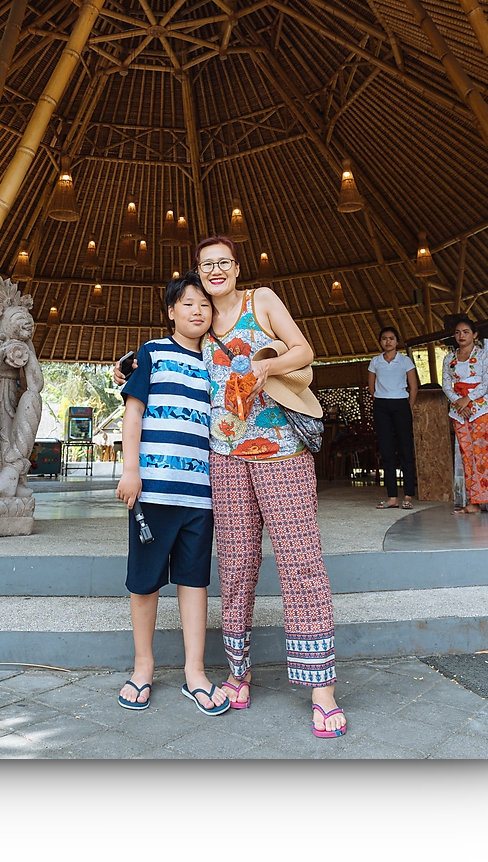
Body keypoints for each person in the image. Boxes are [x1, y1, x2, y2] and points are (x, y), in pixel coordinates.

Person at [196, 235, 345, 739]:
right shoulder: (199, 319)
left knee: (301, 560)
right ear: (199, 274)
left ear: (237, 268)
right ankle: (238, 671)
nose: (216, 271)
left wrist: (265, 366)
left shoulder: (260, 299)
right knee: (236, 564)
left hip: (282, 451)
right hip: (224, 457)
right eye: (207, 265)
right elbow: (168, 355)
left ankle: (322, 689)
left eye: (223, 262)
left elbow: (304, 349)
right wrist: (130, 367)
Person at [114, 272, 230, 716]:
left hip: (200, 495)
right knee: (144, 582)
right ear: (171, 312)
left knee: (194, 581)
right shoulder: (152, 353)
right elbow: (134, 412)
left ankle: (194, 672)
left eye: (204, 304)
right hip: (153, 491)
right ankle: (143, 667)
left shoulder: (217, 363)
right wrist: (131, 471)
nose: (197, 311)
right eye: (187, 304)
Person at [441, 316, 488, 516]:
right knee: (468, 456)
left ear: (475, 334)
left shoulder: (484, 355)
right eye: (457, 332)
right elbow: (446, 385)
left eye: (465, 332)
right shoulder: (449, 358)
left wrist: (468, 399)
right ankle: (474, 503)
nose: (461, 335)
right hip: (460, 412)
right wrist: (459, 402)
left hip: (482, 410)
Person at [367, 327, 418, 510]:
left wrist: (407, 407)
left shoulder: (405, 361)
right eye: (384, 338)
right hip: (381, 405)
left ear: (397, 341)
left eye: (391, 338)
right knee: (387, 451)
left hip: (401, 404)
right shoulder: (375, 361)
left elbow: (413, 387)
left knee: (405, 450)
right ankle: (392, 497)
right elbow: (371, 387)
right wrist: (381, 398)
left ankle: (408, 495)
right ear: (380, 341)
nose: (387, 341)